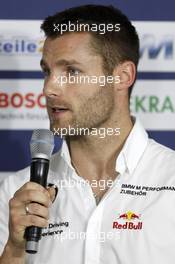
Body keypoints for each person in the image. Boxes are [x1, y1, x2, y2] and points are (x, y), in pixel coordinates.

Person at [0, 4, 175, 264]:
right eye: (47, 71)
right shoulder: (16, 192)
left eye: (72, 71)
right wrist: (14, 251)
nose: (49, 88)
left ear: (122, 76)